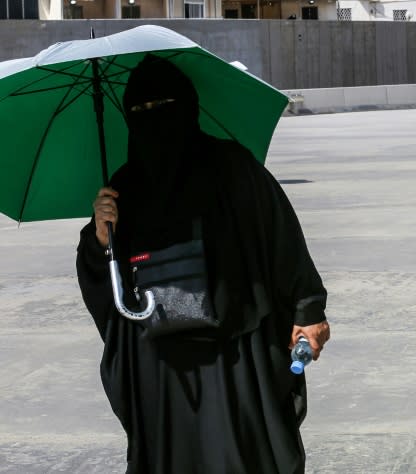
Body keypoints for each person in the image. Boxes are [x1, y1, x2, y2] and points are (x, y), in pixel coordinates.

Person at [76, 55, 331, 473]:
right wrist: (101, 237)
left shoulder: (233, 167)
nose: (152, 120)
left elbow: (282, 240)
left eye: (163, 107)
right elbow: (106, 282)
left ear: (188, 107)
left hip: (235, 354)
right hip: (160, 365)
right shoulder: (123, 188)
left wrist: (308, 310)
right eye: (139, 111)